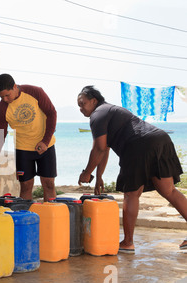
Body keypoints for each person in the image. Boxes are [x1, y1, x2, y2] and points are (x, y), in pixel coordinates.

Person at [77, 85, 187, 253]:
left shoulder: (97, 115)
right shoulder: (110, 111)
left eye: (82, 104)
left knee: (131, 194)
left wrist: (86, 173)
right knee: (170, 191)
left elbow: (99, 148)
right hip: (160, 138)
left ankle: (128, 242)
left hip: (138, 145)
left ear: (94, 101)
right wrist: (98, 176)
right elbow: (104, 149)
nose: (81, 108)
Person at [0, 74, 57, 201]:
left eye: (7, 95)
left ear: (15, 87)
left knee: (49, 184)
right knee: (26, 186)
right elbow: (0, 136)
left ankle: (51, 217)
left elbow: (51, 113)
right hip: (23, 149)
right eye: (1, 97)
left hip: (46, 146)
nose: (5, 99)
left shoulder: (35, 92)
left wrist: (45, 141)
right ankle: (26, 218)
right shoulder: (2, 109)